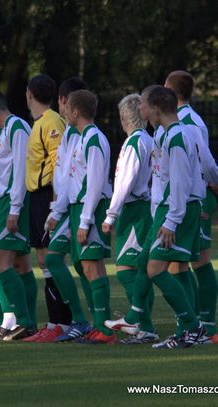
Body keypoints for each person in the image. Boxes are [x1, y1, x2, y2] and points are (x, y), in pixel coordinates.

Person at [106, 86, 206, 348]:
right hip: (163, 209)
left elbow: (180, 182)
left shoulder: (178, 136)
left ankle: (192, 326)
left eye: (144, 104)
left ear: (156, 108)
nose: (140, 109)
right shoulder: (164, 134)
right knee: (144, 262)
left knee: (155, 268)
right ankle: (141, 319)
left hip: (175, 211)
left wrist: (171, 220)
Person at [49, 90, 114, 344]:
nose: (63, 111)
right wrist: (59, 211)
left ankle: (104, 330)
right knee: (85, 265)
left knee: (92, 265)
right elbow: (71, 180)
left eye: (67, 108)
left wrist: (86, 220)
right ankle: (96, 326)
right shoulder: (79, 137)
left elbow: (95, 184)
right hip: (77, 208)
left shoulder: (94, 139)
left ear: (75, 111)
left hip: (92, 208)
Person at [165, 71, 218, 343]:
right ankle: (193, 322)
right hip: (190, 195)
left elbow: (206, 163)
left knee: (196, 260)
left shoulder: (189, 123)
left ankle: (205, 323)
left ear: (170, 92)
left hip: (195, 196)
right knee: (181, 262)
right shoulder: (181, 120)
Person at [0, 90, 35, 340]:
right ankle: (22, 321)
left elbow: (22, 169)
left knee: (2, 262)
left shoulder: (17, 127)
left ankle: (24, 321)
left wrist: (15, 208)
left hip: (12, 204)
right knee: (16, 264)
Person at [101, 94, 157, 344]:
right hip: (141, 208)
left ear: (125, 116)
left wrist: (110, 215)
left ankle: (142, 325)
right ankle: (143, 324)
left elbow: (126, 181)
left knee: (126, 269)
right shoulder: (148, 139)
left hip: (135, 210)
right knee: (139, 269)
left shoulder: (134, 143)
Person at [23, 74, 72, 342]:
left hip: (47, 197)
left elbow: (58, 164)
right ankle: (56, 322)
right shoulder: (39, 122)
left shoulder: (52, 121)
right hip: (36, 197)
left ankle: (61, 322)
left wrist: (54, 204)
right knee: (43, 260)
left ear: (29, 93)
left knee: (50, 259)